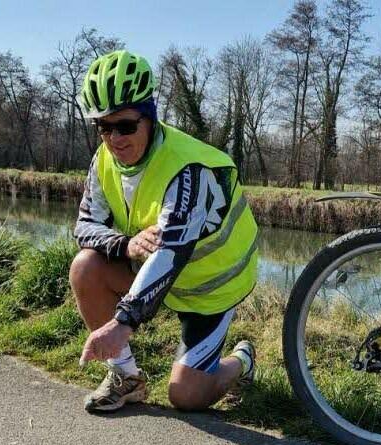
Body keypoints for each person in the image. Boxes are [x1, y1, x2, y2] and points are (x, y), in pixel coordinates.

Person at [70, 49, 258, 414]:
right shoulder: (104, 159)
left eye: (125, 126)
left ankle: (243, 361)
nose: (114, 139)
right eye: (103, 127)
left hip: (210, 287)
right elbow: (85, 225)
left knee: (186, 397)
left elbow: (170, 254)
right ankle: (126, 378)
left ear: (150, 115)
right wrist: (125, 245)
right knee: (85, 267)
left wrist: (123, 323)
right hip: (160, 272)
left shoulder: (190, 168)